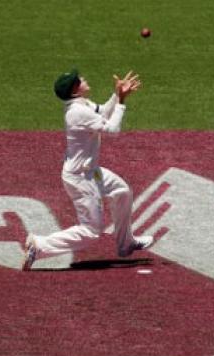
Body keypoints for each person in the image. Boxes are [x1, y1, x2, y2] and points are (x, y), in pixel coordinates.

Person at [22, 67, 154, 270]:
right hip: (81, 178)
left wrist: (118, 95)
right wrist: (122, 104)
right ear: (75, 89)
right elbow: (112, 129)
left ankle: (125, 243)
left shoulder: (81, 104)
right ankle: (40, 246)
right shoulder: (78, 112)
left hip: (91, 171)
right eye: (79, 79)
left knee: (122, 192)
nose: (83, 79)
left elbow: (102, 112)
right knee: (92, 231)